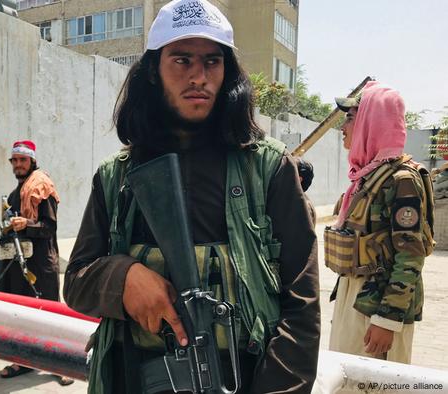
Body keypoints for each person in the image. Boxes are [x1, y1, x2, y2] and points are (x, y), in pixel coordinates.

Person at [63, 1, 320, 392]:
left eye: (212, 62)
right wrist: (124, 278)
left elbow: (302, 305)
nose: (199, 76)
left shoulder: (266, 170)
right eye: (181, 60)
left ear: (226, 71)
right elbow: (77, 282)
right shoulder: (117, 178)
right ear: (153, 71)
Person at [326, 81, 435, 363]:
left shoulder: (402, 181)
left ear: (371, 123)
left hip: (379, 307)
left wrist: (387, 320)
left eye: (351, 118)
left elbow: (410, 255)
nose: (343, 127)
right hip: (356, 297)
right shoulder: (367, 176)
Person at [0, 140, 73, 386]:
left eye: (23, 160)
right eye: (14, 160)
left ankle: (62, 364)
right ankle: (25, 361)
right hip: (19, 264)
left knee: (49, 313)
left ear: (32, 162)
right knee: (22, 315)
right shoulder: (14, 194)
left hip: (41, 263)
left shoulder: (41, 188)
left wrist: (25, 224)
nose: (18, 164)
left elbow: (49, 227)